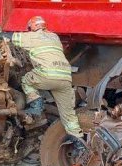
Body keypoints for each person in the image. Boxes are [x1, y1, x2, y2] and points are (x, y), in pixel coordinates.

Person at [5, 16, 86, 153]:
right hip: (65, 78)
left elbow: (10, 37)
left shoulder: (31, 37)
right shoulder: (54, 37)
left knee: (26, 80)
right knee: (69, 115)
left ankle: (37, 106)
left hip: (48, 75)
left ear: (31, 28)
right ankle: (80, 145)